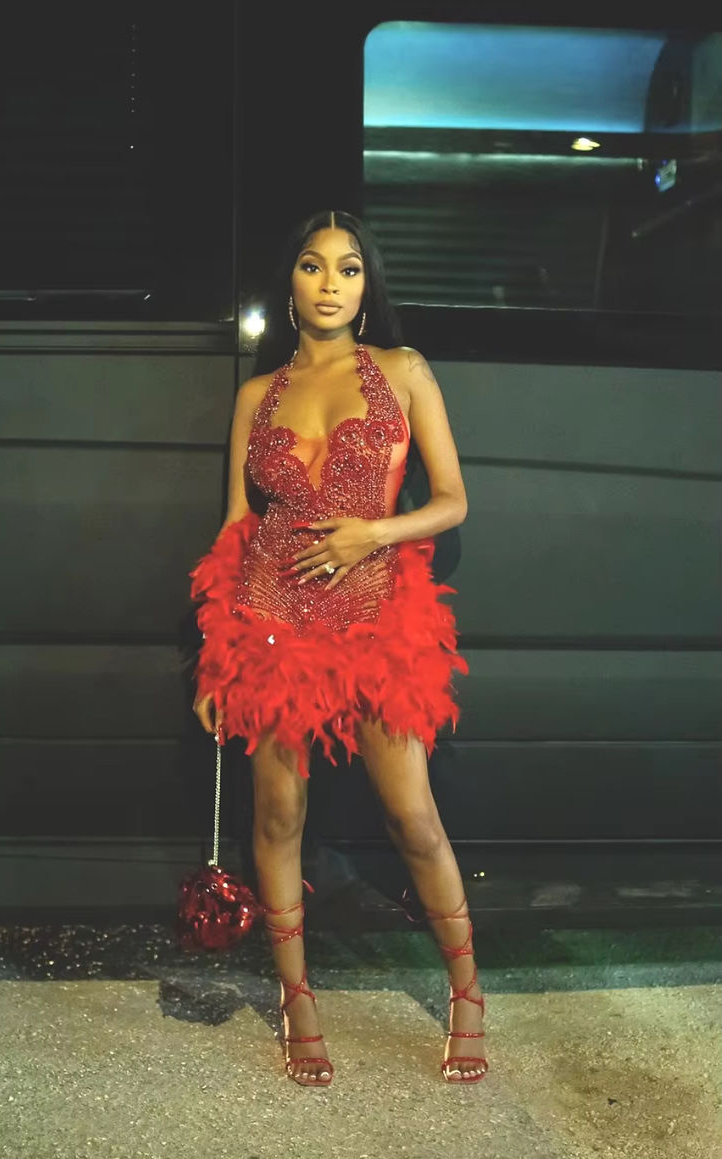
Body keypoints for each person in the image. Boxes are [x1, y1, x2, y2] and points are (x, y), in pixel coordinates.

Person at [190, 210, 487, 1088]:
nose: (330, 283)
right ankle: (298, 1000)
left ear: (367, 285)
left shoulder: (404, 370)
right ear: (290, 284)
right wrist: (217, 652)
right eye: (313, 266)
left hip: (375, 622)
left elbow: (454, 499)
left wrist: (373, 533)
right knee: (279, 818)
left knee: (413, 817)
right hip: (270, 626)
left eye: (348, 268)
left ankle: (468, 991)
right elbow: (237, 523)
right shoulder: (257, 395)